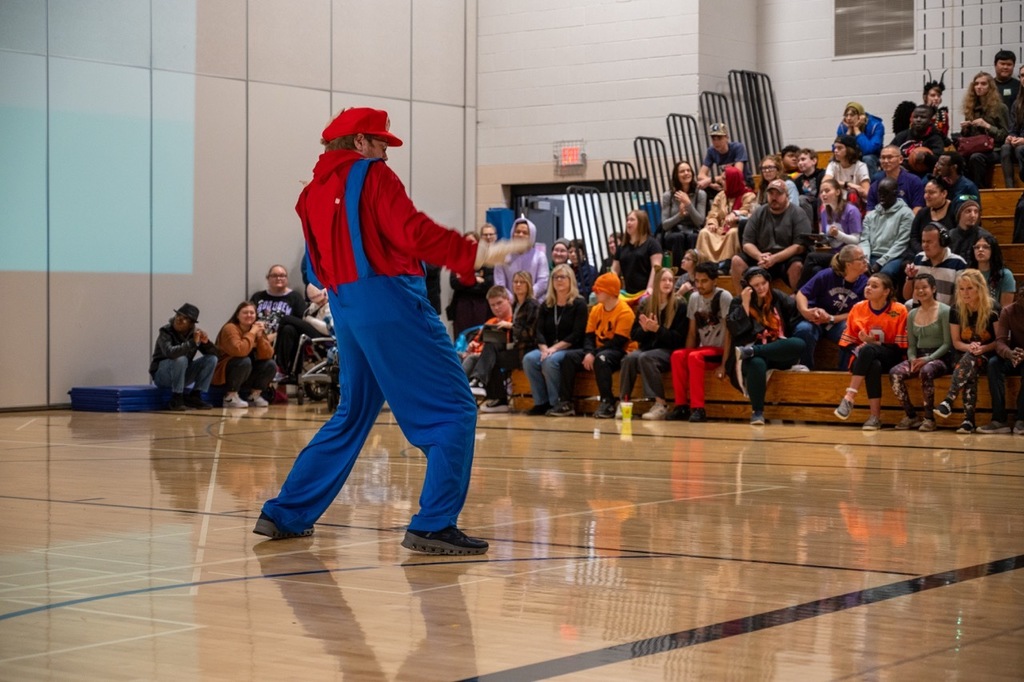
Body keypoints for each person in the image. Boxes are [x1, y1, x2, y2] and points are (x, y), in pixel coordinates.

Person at [256, 106, 529, 554]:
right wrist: (473, 254)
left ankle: (285, 513)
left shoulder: (310, 194)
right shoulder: (373, 174)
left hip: (346, 306)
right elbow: (412, 231)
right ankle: (433, 524)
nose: (386, 151)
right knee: (456, 410)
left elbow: (317, 268)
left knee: (352, 413)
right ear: (360, 143)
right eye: (382, 142)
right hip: (392, 301)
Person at [549, 272, 637, 418]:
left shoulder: (625, 312)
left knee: (601, 359)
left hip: (620, 351)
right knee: (569, 357)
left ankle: (608, 402)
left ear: (609, 292)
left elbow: (617, 343)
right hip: (597, 350)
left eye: (599, 289)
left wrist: (594, 354)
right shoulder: (596, 309)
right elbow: (588, 336)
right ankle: (566, 402)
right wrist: (589, 352)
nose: (595, 292)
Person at [725, 266, 805, 426]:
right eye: (756, 285)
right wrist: (745, 304)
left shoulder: (777, 297)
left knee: (799, 344)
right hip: (747, 351)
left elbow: (795, 316)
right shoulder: (738, 301)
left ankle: (752, 351)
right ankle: (757, 412)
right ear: (747, 287)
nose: (761, 288)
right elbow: (734, 329)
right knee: (757, 363)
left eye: (763, 283)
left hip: (774, 350)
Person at [833, 273, 908, 430]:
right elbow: (845, 344)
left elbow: (902, 347)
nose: (868, 288)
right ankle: (874, 418)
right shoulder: (858, 308)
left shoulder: (899, 310)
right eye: (867, 285)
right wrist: (858, 348)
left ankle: (849, 397)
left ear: (886, 291)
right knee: (872, 364)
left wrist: (873, 343)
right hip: (862, 359)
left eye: (874, 286)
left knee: (869, 349)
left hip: (892, 357)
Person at [934, 269, 1000, 433]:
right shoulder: (956, 309)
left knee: (971, 362)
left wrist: (983, 348)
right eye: (961, 289)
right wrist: (969, 347)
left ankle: (950, 402)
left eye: (969, 288)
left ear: (979, 288)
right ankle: (967, 421)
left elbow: (1000, 341)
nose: (965, 293)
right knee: (969, 365)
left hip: (988, 354)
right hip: (963, 354)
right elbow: (956, 342)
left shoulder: (993, 308)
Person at [618, 267, 688, 421]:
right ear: (656, 283)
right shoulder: (646, 304)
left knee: (645, 357)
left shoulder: (680, 305)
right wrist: (644, 330)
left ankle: (660, 404)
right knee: (629, 358)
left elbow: (678, 339)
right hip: (648, 348)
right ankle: (623, 402)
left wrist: (657, 329)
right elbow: (634, 334)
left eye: (670, 280)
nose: (667, 283)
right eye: (664, 280)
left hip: (669, 350)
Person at [668, 262, 733, 423]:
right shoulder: (694, 298)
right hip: (703, 350)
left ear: (714, 281)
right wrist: (686, 357)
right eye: (697, 281)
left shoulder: (724, 297)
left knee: (695, 357)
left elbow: (729, 334)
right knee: (677, 355)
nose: (699, 285)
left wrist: (725, 364)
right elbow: (691, 332)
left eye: (704, 281)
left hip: (719, 350)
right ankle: (681, 405)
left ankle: (698, 408)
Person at [522, 264, 588, 415]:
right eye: (555, 277)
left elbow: (577, 333)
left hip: (571, 348)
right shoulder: (547, 304)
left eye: (562, 277)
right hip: (548, 348)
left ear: (570, 280)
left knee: (550, 361)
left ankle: (557, 402)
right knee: (529, 359)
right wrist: (544, 348)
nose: (558, 280)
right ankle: (541, 402)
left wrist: (553, 349)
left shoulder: (579, 304)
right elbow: (539, 331)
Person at [888, 274, 952, 431]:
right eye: (917, 288)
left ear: (933, 289)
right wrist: (912, 359)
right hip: (918, 357)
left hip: (940, 357)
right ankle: (911, 416)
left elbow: (947, 343)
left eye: (924, 287)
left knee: (926, 370)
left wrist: (928, 359)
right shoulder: (912, 314)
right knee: (894, 373)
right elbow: (911, 345)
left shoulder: (945, 311)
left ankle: (929, 418)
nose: (920, 291)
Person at [472, 273, 540, 414]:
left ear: (528, 284)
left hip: (528, 349)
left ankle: (482, 383)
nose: (518, 285)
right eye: (515, 282)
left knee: (492, 354)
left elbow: (531, 333)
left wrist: (510, 326)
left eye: (522, 282)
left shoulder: (532, 305)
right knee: (491, 345)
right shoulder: (516, 305)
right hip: (515, 346)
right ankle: (490, 392)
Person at [794, 245, 869, 370]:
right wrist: (805, 311)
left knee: (850, 332)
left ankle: (844, 372)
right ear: (849, 264)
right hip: (816, 318)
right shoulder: (827, 275)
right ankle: (804, 370)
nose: (865, 261)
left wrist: (832, 318)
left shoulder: (865, 283)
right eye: (861, 258)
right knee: (803, 329)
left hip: (838, 322)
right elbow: (801, 293)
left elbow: (859, 312)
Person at [730, 178, 811, 292]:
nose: (774, 197)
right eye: (771, 193)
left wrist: (775, 258)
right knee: (736, 261)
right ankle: (743, 303)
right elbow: (747, 243)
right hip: (762, 258)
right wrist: (759, 256)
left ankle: (800, 303)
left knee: (797, 265)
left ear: (787, 195)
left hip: (786, 258)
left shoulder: (798, 213)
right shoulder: (759, 212)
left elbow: (799, 246)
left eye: (778, 194)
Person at [250, 264, 322, 383]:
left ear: (287, 279)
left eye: (282, 275)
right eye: (275, 275)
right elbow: (249, 318)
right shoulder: (258, 297)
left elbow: (300, 323)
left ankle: (280, 369)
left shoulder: (295, 297)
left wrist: (276, 335)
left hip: (286, 337)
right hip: (260, 336)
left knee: (288, 327)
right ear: (268, 278)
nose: (279, 278)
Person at [149, 303, 217, 411]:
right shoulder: (166, 331)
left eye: (184, 318)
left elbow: (216, 355)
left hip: (182, 375)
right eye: (178, 315)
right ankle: (177, 398)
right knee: (180, 359)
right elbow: (170, 353)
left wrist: (207, 343)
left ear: (191, 324)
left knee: (211, 359)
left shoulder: (194, 334)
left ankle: (195, 395)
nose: (179, 319)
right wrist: (191, 343)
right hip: (162, 375)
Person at [979, 284, 1024, 434]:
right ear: (1017, 295)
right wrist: (1010, 353)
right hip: (1012, 354)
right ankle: (999, 419)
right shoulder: (1008, 311)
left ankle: (1021, 419)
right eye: (1022, 294)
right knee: (993, 364)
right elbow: (1000, 341)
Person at [213, 301, 276, 408]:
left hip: (246, 372)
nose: (249, 315)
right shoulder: (230, 328)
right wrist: (252, 333)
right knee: (243, 361)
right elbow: (239, 351)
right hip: (226, 372)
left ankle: (254, 395)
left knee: (270, 364)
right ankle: (230, 397)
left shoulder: (256, 329)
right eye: (245, 313)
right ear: (237, 315)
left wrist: (260, 337)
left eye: (252, 313)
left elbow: (267, 355)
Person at [803, 178, 862, 284]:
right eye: (821, 192)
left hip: (848, 255)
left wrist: (838, 234)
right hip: (833, 253)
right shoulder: (825, 211)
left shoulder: (851, 211)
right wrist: (820, 238)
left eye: (827, 190)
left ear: (838, 192)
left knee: (811, 257)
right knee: (816, 270)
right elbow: (828, 237)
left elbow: (856, 240)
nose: (823, 194)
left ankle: (799, 291)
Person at [959, 71, 1010, 190]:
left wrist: (987, 126)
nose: (979, 87)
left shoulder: (1000, 108)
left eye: (983, 84)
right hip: (975, 147)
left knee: (976, 157)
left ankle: (979, 189)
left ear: (990, 87)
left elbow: (1005, 135)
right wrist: (966, 129)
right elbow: (969, 138)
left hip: (995, 149)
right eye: (976, 84)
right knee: (957, 158)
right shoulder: (971, 107)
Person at [860, 177, 913, 281]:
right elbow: (864, 240)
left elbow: (901, 243)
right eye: (879, 193)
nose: (881, 196)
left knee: (883, 276)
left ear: (895, 193)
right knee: (855, 270)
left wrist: (880, 263)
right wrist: (865, 260)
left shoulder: (906, 214)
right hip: (870, 255)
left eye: (885, 193)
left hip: (894, 257)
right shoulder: (871, 215)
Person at [903, 222, 968, 306]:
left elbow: (962, 299)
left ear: (943, 242)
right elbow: (907, 296)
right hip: (919, 313)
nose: (925, 245)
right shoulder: (918, 258)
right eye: (923, 241)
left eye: (929, 242)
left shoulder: (958, 263)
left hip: (944, 316)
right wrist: (910, 278)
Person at [446, 228, 495, 339]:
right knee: (461, 338)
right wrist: (476, 280)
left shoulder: (487, 262)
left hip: (481, 305)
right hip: (462, 305)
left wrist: (465, 280)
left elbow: (487, 285)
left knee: (479, 337)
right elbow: (454, 283)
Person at [659, 160, 707, 265]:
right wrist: (679, 216)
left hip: (693, 231)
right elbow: (665, 225)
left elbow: (700, 221)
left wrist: (688, 204)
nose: (686, 173)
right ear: (676, 175)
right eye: (682, 171)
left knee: (693, 237)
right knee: (678, 237)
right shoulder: (668, 195)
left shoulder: (701, 194)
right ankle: (679, 272)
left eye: (688, 170)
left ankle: (694, 269)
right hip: (673, 233)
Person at [495, 217, 548, 300]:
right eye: (517, 232)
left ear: (531, 236)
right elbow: (499, 283)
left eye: (525, 233)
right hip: (509, 303)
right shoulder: (502, 256)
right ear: (512, 234)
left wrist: (527, 297)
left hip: (534, 303)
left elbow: (543, 282)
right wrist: (514, 300)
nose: (520, 235)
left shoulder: (539, 256)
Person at [612, 209, 662, 296]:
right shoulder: (622, 247)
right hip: (627, 293)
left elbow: (656, 268)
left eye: (632, 220)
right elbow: (614, 270)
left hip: (646, 292)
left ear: (641, 222)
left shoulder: (652, 244)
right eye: (627, 220)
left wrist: (650, 288)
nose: (628, 222)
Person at [905, 177, 955, 259]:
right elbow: (914, 237)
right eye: (925, 192)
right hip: (923, 254)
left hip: (947, 255)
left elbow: (956, 238)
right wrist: (924, 252)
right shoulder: (922, 213)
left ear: (944, 193)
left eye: (931, 193)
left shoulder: (954, 211)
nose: (926, 196)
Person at [865, 145, 924, 214]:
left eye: (890, 157)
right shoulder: (876, 183)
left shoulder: (914, 181)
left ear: (900, 159)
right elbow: (870, 210)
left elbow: (918, 208)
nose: (886, 161)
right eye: (883, 158)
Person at [891, 105, 947, 177]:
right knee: (878, 176)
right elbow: (889, 151)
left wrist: (926, 157)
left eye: (923, 117)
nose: (918, 119)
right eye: (915, 117)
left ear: (930, 120)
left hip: (924, 174)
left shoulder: (935, 138)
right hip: (900, 171)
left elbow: (939, 161)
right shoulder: (902, 135)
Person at [697, 122, 752, 191]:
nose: (716, 142)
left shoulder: (738, 147)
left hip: (744, 183)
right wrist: (712, 184)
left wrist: (711, 180)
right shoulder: (711, 151)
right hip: (726, 185)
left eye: (719, 138)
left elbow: (736, 173)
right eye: (713, 139)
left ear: (727, 137)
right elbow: (700, 175)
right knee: (702, 190)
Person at [707, 165, 756, 241]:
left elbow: (748, 213)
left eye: (724, 179)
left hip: (736, 228)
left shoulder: (749, 196)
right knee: (705, 232)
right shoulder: (720, 195)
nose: (720, 181)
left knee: (732, 233)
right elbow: (713, 213)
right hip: (720, 229)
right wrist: (712, 223)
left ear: (732, 181)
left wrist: (735, 214)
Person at [836, 101, 885, 177]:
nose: (848, 118)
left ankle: (871, 186)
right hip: (852, 155)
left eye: (852, 115)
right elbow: (836, 148)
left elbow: (868, 150)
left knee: (867, 159)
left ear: (861, 116)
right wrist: (848, 132)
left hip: (873, 156)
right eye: (846, 115)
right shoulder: (843, 127)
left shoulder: (876, 125)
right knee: (834, 159)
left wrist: (856, 129)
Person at [968, 235, 1016, 307]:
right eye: (977, 247)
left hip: (995, 316)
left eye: (986, 247)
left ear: (993, 250)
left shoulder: (1005, 275)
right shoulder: (967, 274)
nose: (980, 250)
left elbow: (1005, 310)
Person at [824, 134, 871, 204]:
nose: (835, 151)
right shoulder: (833, 165)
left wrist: (855, 188)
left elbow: (866, 193)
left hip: (855, 202)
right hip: (838, 200)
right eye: (835, 148)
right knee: (824, 193)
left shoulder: (861, 166)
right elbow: (825, 182)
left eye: (839, 148)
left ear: (849, 150)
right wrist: (847, 184)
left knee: (852, 193)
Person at [930, 152, 979, 217]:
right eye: (938, 163)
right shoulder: (939, 182)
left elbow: (975, 212)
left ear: (954, 167)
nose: (937, 167)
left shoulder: (968, 187)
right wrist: (934, 178)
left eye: (941, 164)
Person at [1001, 63, 1024, 188]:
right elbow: (1014, 128)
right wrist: (1011, 136)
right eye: (1022, 76)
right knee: (1005, 148)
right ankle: (1009, 189)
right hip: (1019, 142)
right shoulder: (1018, 103)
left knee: (1021, 150)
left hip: (1022, 145)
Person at [923, 74, 951, 138]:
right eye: (932, 95)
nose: (936, 98)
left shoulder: (943, 115)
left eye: (938, 96)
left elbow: (944, 135)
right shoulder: (918, 113)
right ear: (926, 97)